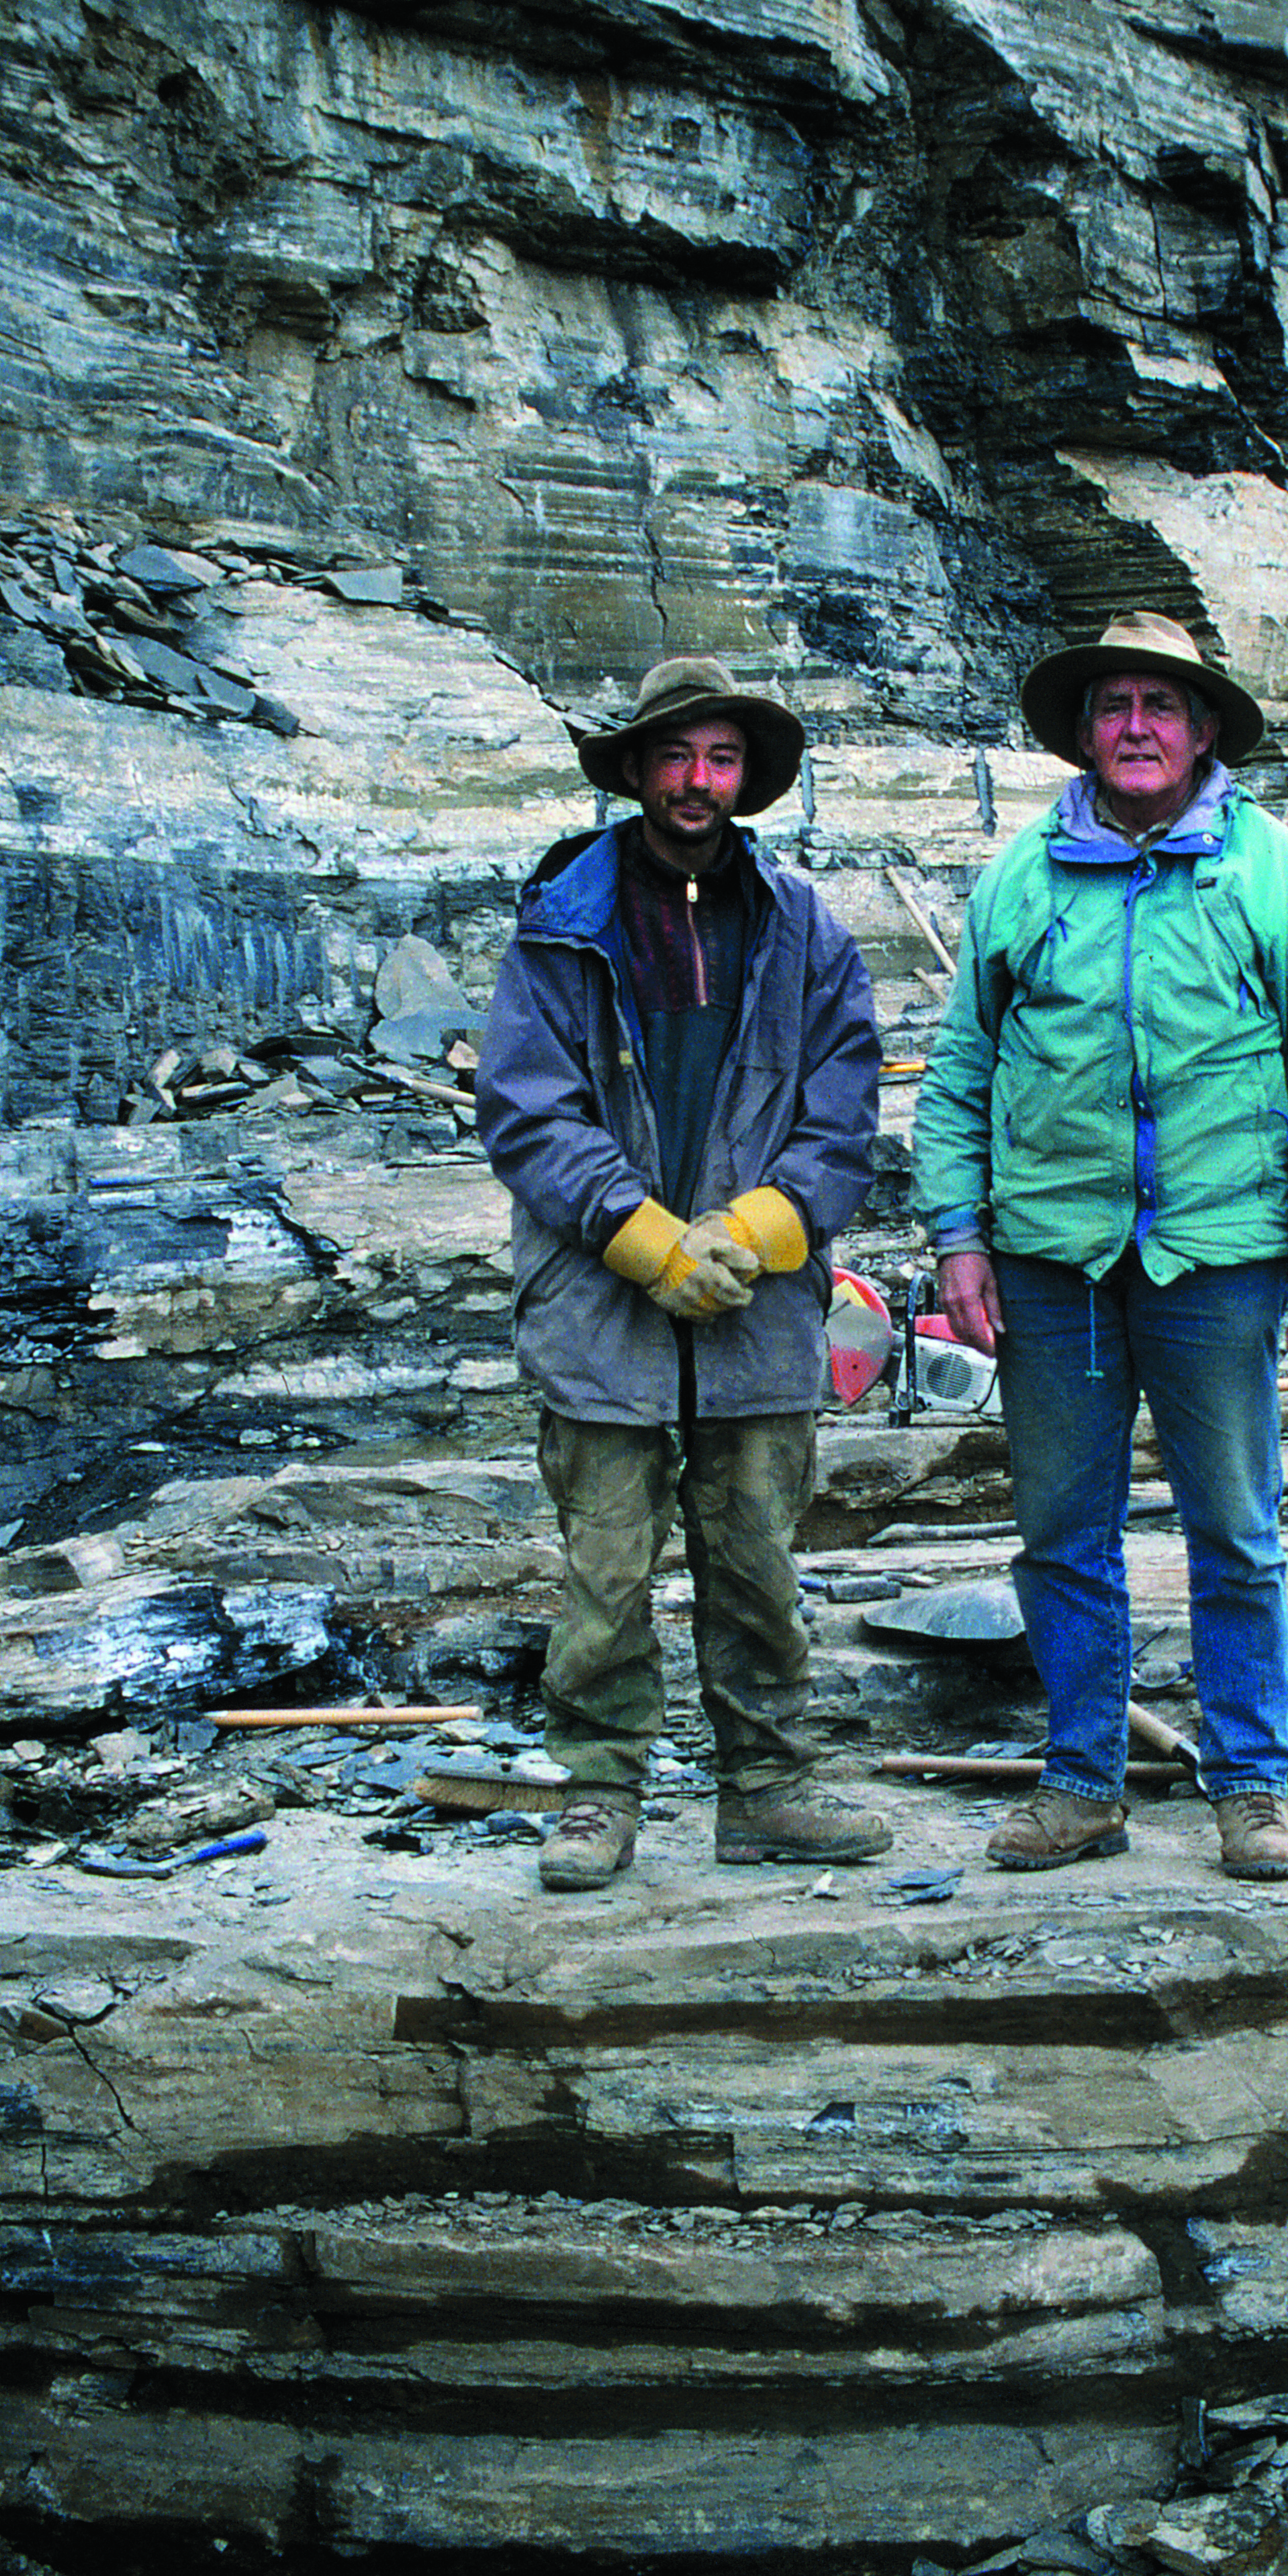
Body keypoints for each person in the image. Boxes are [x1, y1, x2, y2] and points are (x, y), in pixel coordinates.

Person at [911, 612, 1288, 1881]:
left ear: (1203, 730)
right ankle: (1080, 1786)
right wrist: (958, 1237)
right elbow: (959, 1071)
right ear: (1080, 733)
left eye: (1160, 707)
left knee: (1236, 1529)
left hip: (1218, 1257)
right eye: (1112, 706)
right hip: (1048, 1260)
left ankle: (1249, 1782)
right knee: (1061, 1533)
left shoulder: (1272, 872)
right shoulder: (1020, 877)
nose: (1134, 728)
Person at [472, 655, 892, 1892]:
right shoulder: (562, 922)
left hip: (759, 1306)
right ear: (638, 771)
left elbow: (843, 1107)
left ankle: (765, 1787)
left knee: (756, 1556)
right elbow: (527, 1109)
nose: (696, 782)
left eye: (718, 759)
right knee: (606, 1567)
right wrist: (644, 1240)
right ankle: (599, 1789)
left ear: (744, 777)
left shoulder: (802, 927)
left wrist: (758, 1231)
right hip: (601, 1298)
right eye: (675, 757)